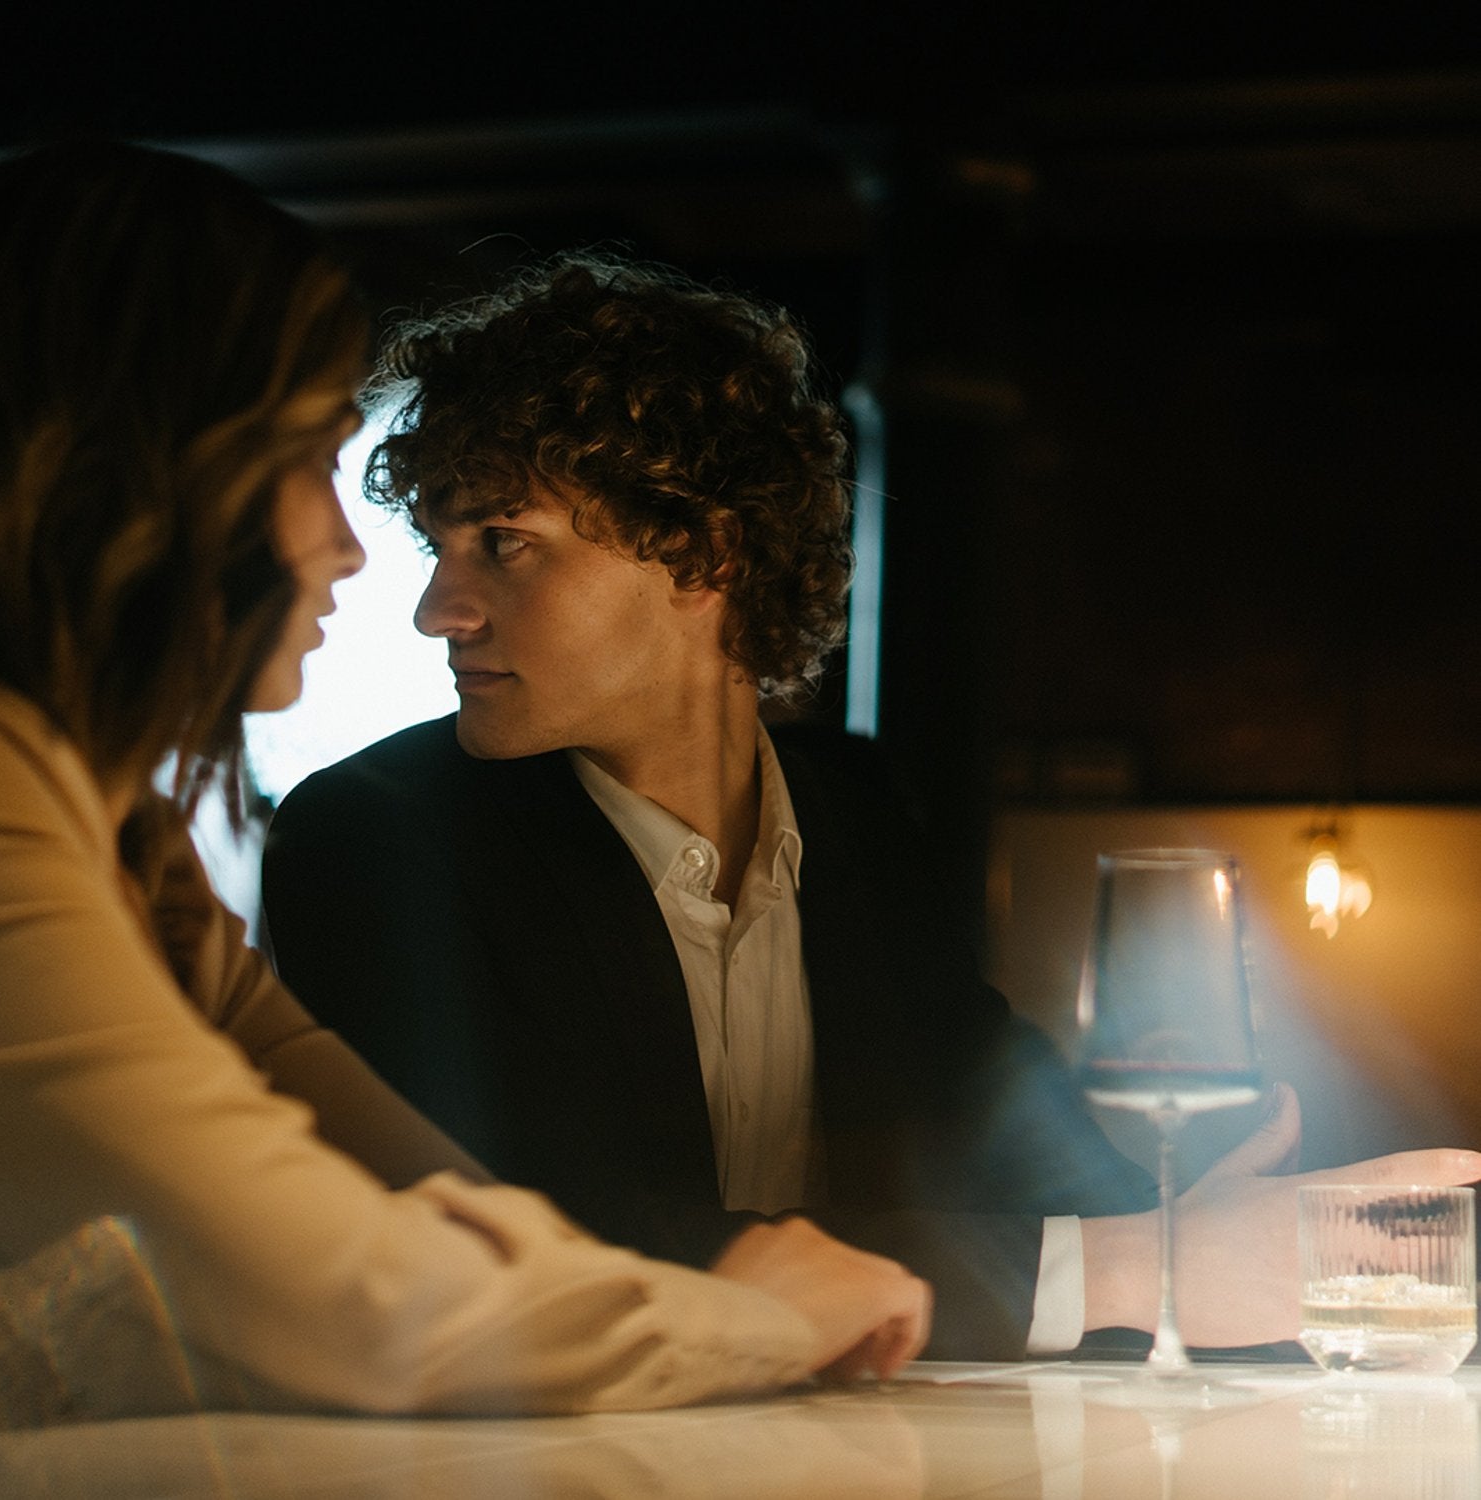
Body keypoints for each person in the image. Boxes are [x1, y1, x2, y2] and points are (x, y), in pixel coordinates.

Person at [261, 252, 1481, 1360]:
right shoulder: (372, 840)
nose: (438, 609)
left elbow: (1003, 1131)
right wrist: (1131, 1265)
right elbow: (544, 1250)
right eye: (440, 546)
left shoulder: (858, 820)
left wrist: (1186, 1220)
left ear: (706, 553)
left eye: (503, 542)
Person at [0, 142, 935, 1430]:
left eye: (500, 541)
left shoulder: (129, 849)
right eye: (309, 459)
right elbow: (367, 1300)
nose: (349, 552)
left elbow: (422, 1190)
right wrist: (761, 1317)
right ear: (137, 477)